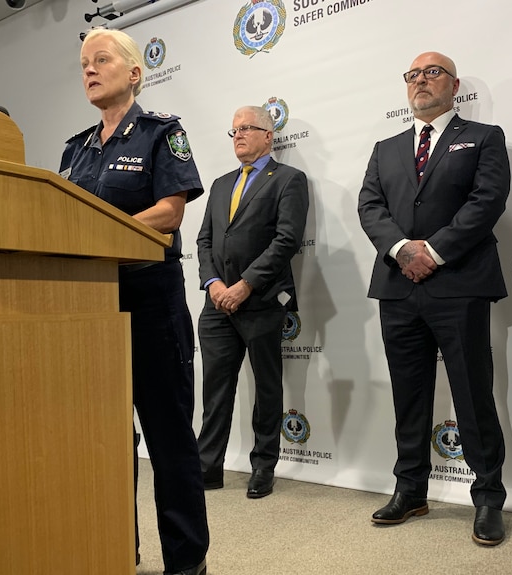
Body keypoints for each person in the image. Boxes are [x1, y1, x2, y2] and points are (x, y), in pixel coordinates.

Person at [59, 28, 209, 575]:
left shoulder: (160, 134)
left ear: (134, 72)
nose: (90, 71)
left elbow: (170, 212)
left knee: (168, 441)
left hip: (150, 305)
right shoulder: (74, 149)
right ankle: (119, 548)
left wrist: (96, 236)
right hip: (92, 309)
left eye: (101, 60)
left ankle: (187, 562)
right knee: (103, 439)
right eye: (83, 64)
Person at [357, 51, 510, 546]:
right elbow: (370, 206)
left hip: (459, 283)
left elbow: (486, 201)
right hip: (398, 287)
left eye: (432, 72)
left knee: (472, 393)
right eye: (413, 75)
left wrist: (436, 252)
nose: (421, 80)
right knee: (409, 394)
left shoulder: (485, 137)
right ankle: (411, 490)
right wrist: (403, 250)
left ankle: (487, 498)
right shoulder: (386, 148)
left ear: (454, 84)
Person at [195, 105, 309, 499]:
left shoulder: (289, 180)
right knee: (215, 388)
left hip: (260, 300)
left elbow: (286, 240)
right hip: (216, 304)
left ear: (268, 135)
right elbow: (204, 240)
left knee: (266, 386)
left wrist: (244, 285)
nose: (239, 135)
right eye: (234, 131)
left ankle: (264, 465)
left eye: (247, 128)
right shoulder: (221, 183)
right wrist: (213, 284)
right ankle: (207, 467)